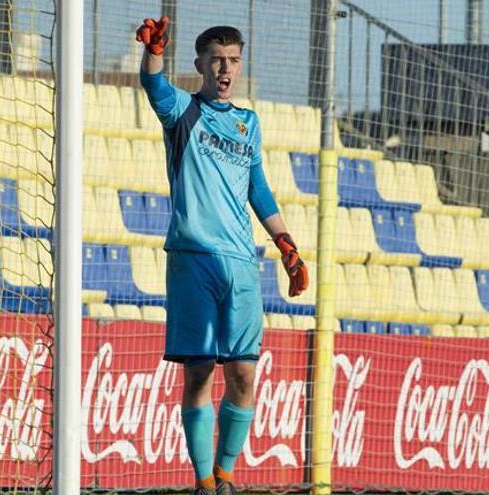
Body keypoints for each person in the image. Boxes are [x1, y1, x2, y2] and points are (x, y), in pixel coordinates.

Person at [137, 16, 309, 495]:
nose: (225, 68)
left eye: (233, 60)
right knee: (197, 372)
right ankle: (203, 481)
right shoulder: (182, 113)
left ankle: (227, 474)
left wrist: (286, 244)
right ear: (200, 65)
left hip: (241, 263)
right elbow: (153, 84)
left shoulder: (247, 122)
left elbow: (258, 187)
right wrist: (152, 53)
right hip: (192, 258)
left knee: (243, 371)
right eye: (216, 59)